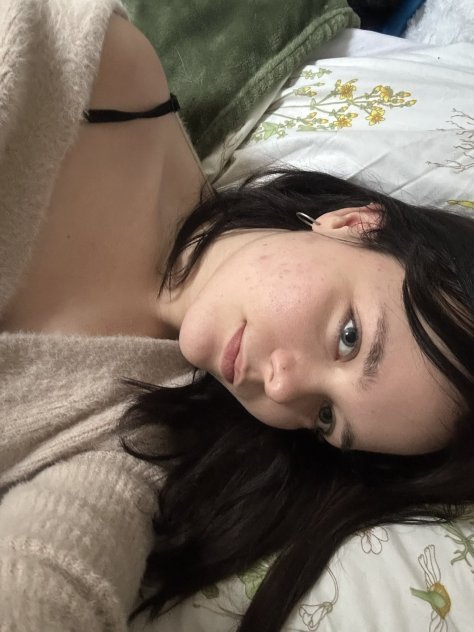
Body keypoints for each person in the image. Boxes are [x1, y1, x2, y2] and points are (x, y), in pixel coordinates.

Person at [0, 2, 472, 631]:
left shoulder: (140, 433)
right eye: (349, 338)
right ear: (352, 224)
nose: (282, 388)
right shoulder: (103, 81)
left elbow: (55, 573)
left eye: (325, 418)